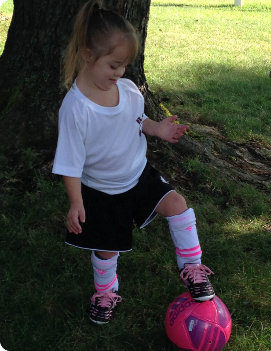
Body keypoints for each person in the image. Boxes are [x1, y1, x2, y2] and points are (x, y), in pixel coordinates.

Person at [52, 0, 215, 325]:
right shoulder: (76, 108)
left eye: (124, 65)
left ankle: (192, 268)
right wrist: (75, 202)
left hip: (138, 176)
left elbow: (136, 119)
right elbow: (70, 162)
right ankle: (105, 292)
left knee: (178, 205)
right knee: (106, 249)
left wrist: (157, 129)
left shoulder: (127, 90)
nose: (120, 73)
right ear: (87, 54)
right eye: (113, 65)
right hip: (101, 190)